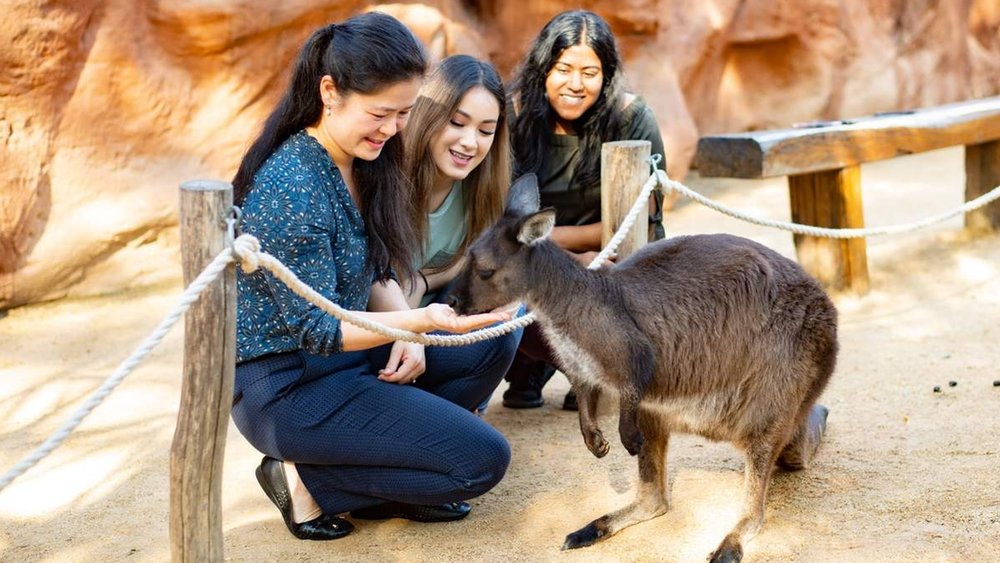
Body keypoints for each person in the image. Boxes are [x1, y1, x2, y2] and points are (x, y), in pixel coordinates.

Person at [230, 12, 514, 542]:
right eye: (381, 113)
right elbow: (318, 330)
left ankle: (397, 476)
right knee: (481, 461)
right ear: (330, 92)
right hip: (290, 385)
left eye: (405, 113)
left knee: (488, 341)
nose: (393, 129)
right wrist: (415, 323)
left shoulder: (366, 158)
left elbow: (377, 263)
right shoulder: (292, 185)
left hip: (349, 360)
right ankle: (304, 480)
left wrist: (405, 326)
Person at [502, 10, 668, 410]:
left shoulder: (631, 117)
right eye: (563, 69)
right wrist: (574, 258)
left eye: (589, 72)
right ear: (544, 68)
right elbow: (497, 222)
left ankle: (596, 369)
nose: (575, 84)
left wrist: (588, 258)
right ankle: (528, 364)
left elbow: (639, 216)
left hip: (616, 254)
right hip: (534, 258)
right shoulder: (513, 113)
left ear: (606, 75)